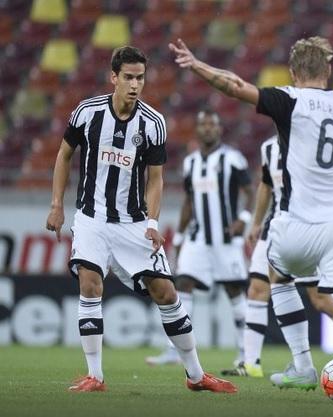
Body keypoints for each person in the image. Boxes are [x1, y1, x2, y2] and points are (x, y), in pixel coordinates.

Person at [168, 36, 333, 410]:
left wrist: (197, 65)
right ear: (329, 70)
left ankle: (303, 365)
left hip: (294, 224)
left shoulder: (290, 100)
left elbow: (235, 86)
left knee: (278, 279)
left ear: (293, 72)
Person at [45, 46, 236, 393]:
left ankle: (196, 376)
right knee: (89, 283)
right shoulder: (87, 113)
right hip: (92, 217)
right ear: (113, 78)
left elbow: (156, 179)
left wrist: (152, 222)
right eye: (129, 77)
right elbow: (64, 155)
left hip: (133, 223)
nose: (135, 84)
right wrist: (57, 204)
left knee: (166, 292)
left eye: (140, 78)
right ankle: (95, 376)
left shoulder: (154, 123)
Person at [232, 134, 333, 378]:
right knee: (257, 289)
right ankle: (251, 364)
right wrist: (257, 221)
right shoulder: (268, 147)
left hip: (306, 228)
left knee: (320, 299)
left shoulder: (312, 141)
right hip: (274, 227)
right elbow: (266, 184)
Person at [145, 109, 254, 373]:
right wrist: (180, 237)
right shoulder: (190, 162)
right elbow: (189, 201)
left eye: (212, 125)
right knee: (181, 283)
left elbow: (250, 192)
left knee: (234, 291)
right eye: (203, 124)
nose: (207, 129)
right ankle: (174, 350)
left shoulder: (233, 159)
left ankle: (246, 352)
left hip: (226, 238)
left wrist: (243, 218)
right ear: (197, 130)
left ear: (219, 129)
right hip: (197, 237)